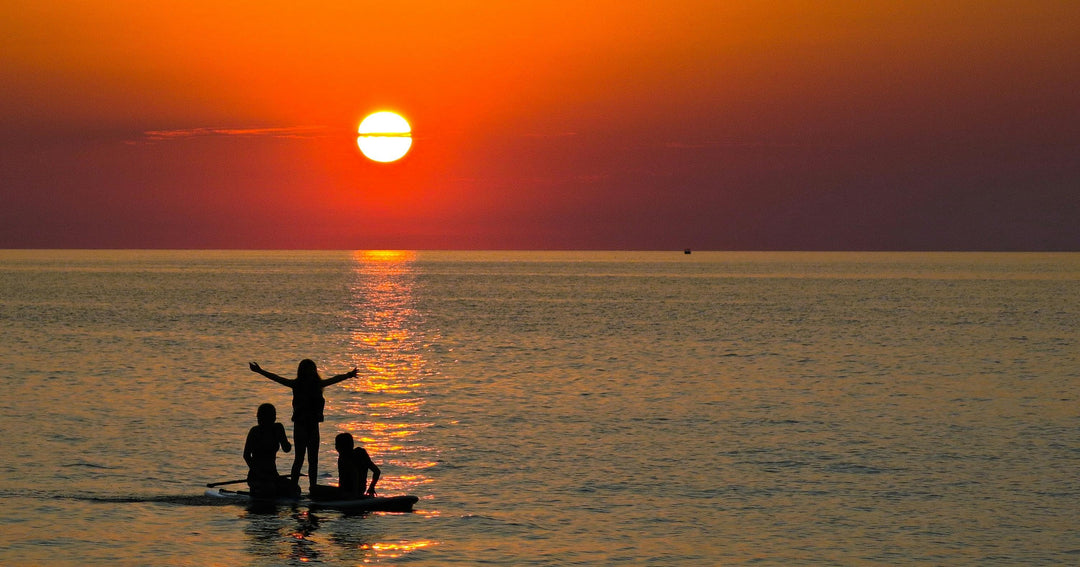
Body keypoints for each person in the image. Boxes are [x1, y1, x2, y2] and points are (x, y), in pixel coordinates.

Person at [249, 359, 360, 491]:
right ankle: (293, 486)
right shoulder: (296, 385)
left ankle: (312, 487)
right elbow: (277, 378)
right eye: (309, 369)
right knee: (299, 458)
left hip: (313, 427)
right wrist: (260, 371)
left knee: (313, 460)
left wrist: (348, 375)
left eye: (313, 369)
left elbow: (334, 379)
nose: (311, 371)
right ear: (302, 371)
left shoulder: (318, 384)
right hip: (300, 427)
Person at [243, 403, 298, 498]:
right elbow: (246, 455)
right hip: (256, 476)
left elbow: (286, 449)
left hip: (273, 474)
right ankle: (258, 491)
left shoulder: (278, 428)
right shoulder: (255, 431)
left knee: (295, 489)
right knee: (270, 489)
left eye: (274, 415)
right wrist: (259, 473)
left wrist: (287, 440)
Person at [310, 432, 380, 501]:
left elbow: (354, 473)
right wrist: (371, 488)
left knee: (313, 489)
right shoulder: (362, 453)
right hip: (359, 491)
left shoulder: (344, 457)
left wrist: (354, 496)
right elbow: (377, 471)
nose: (336, 447)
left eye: (336, 445)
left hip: (346, 493)